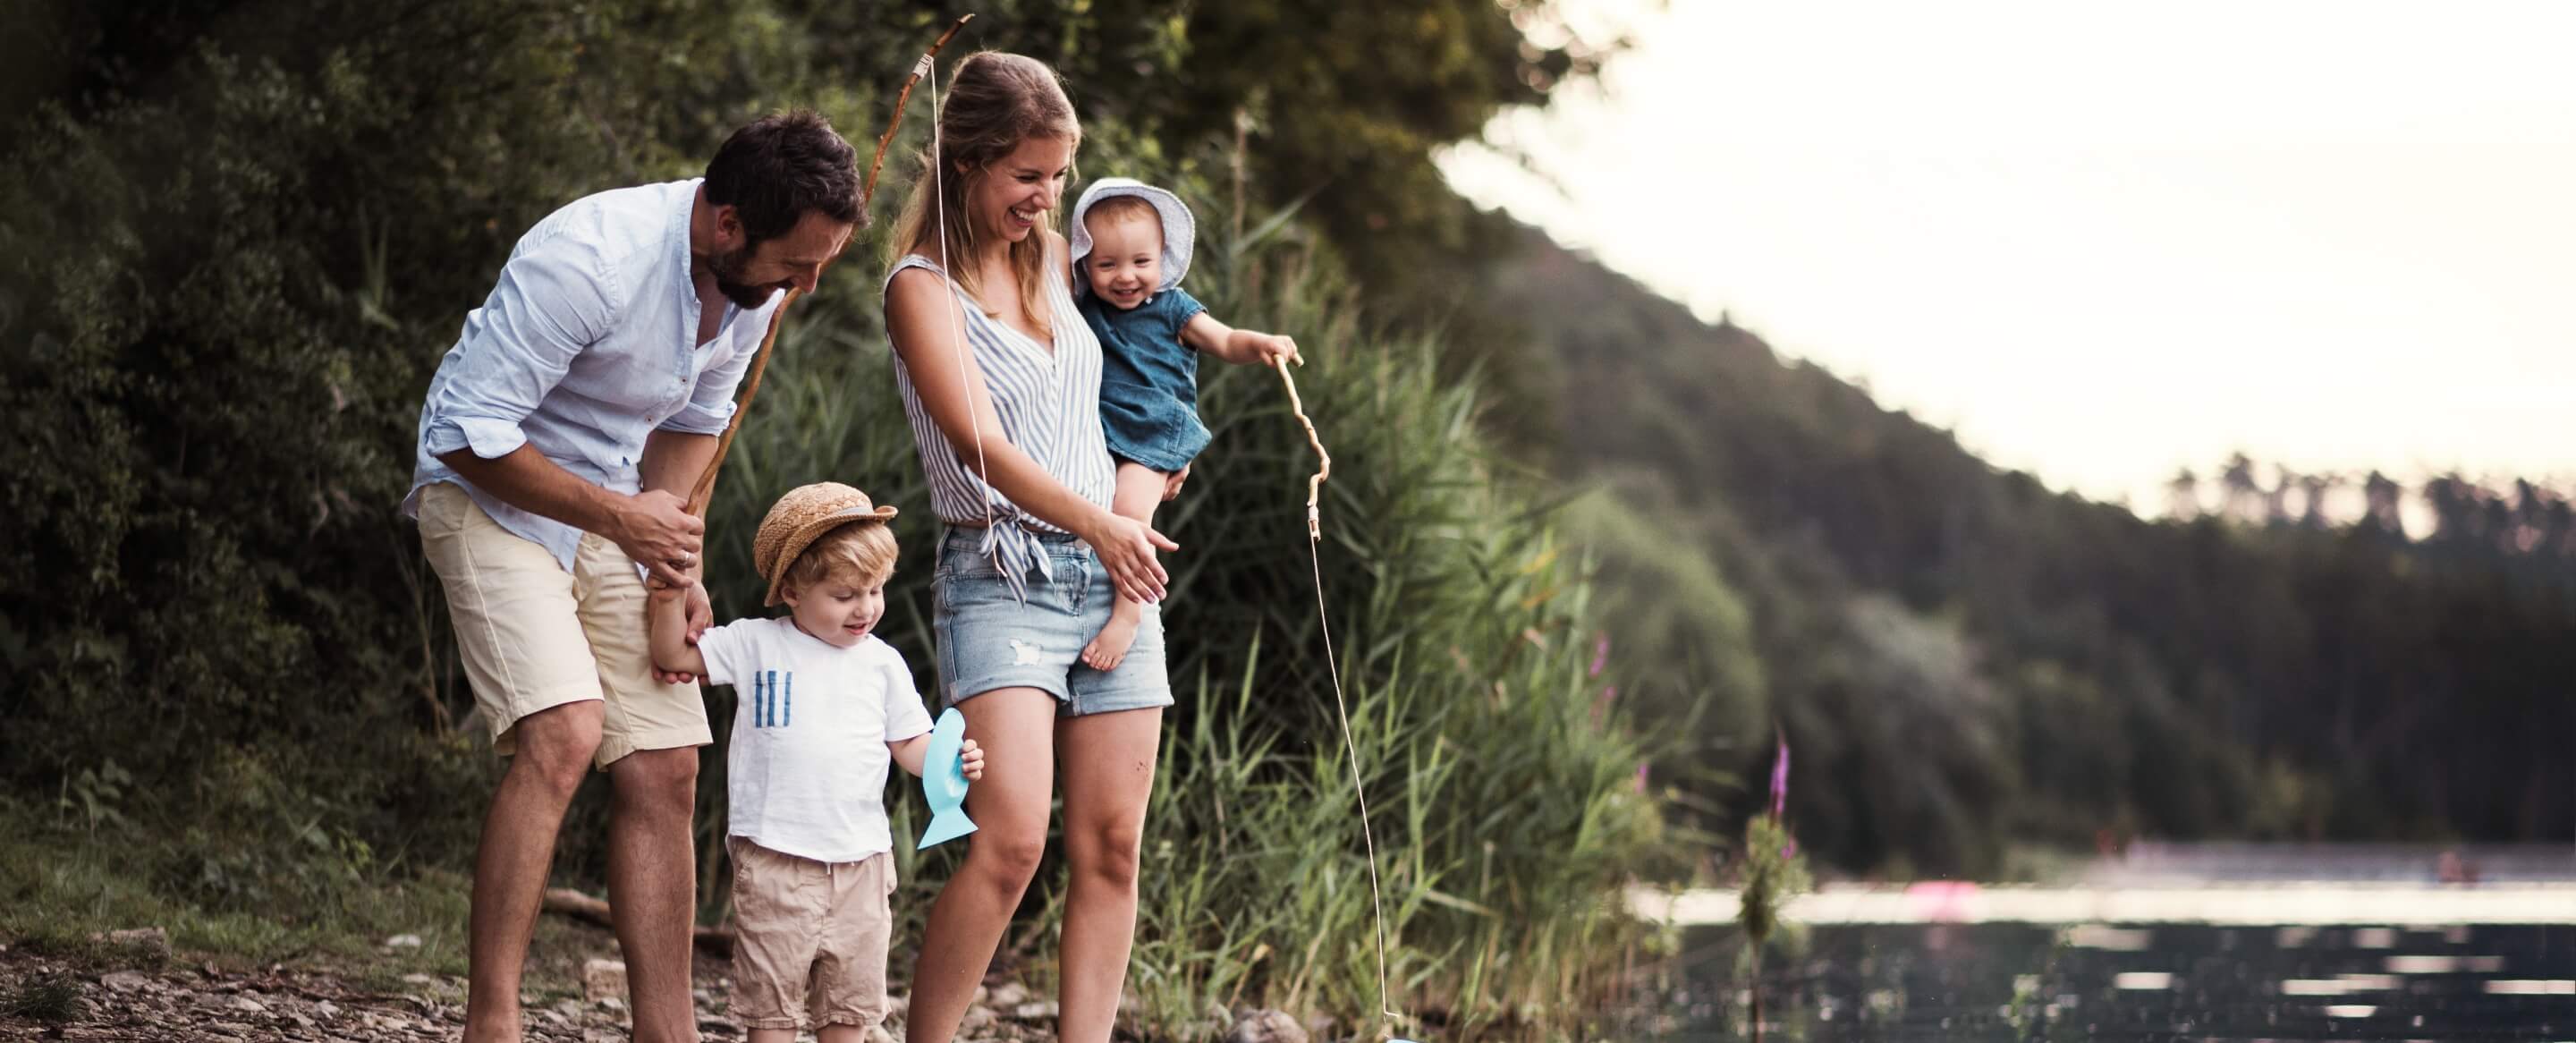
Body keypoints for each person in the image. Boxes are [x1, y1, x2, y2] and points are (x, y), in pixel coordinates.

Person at [404, 110, 863, 1043]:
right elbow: (468, 432)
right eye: (797, 264)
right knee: (567, 731)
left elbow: (696, 418)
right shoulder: (590, 259)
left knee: (665, 760)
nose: (807, 287)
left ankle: (669, 1032)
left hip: (613, 506)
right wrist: (622, 517)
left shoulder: (753, 287)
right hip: (487, 496)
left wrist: (670, 555)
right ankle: (491, 1023)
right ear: (728, 223)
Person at [877, 51, 1174, 1043]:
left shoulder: (1057, 257)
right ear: (965, 162)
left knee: (1113, 844)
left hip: (1113, 577)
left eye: (1057, 177)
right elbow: (979, 444)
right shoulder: (919, 289)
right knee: (1006, 843)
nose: (1047, 199)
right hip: (999, 575)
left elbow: (1148, 357)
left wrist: (1157, 462)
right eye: (1026, 176)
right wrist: (1098, 519)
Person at [643, 481, 984, 1043]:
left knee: (848, 1012)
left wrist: (950, 762)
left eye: (875, 590)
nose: (866, 608)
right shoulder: (756, 643)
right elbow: (672, 654)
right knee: (771, 1012)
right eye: (846, 594)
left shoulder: (883, 664)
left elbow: (910, 747)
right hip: (776, 860)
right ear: (793, 590)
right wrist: (664, 598)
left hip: (862, 868)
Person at [1064, 178, 1301, 669]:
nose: (1125, 276)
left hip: (1153, 431)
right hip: (1099, 430)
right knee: (1090, 507)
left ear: (1163, 257)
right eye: (1107, 264)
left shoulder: (1172, 307)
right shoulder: (1083, 309)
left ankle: (1128, 615)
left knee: (1130, 513)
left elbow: (1226, 339)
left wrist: (1261, 344)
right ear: (1086, 261)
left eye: (1141, 263)